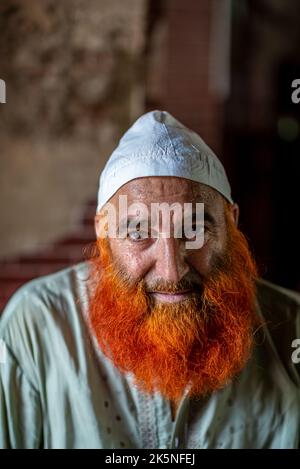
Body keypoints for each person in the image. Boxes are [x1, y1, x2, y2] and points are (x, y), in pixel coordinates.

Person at [0, 110, 299, 449]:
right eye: (138, 231)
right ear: (103, 231)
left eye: (195, 229)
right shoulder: (36, 327)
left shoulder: (293, 331)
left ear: (231, 223)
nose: (171, 271)